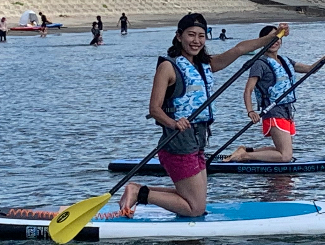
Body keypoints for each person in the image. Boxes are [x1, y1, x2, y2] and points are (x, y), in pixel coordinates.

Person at [117, 15, 289, 218]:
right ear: (179, 36)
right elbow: (154, 109)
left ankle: (138, 190)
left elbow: (239, 49)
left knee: (194, 201)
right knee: (195, 209)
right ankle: (137, 192)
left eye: (201, 36)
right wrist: (173, 122)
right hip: (178, 143)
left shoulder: (206, 64)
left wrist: (274, 35)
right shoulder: (168, 67)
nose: (196, 41)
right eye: (191, 35)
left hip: (198, 141)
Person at [227, 28, 325, 163]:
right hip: (273, 110)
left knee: (283, 150)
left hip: (287, 110)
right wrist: (250, 111)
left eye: (278, 38)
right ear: (263, 42)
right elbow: (248, 90)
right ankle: (244, 156)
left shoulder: (285, 60)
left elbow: (310, 69)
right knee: (285, 156)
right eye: (271, 38)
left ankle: (246, 151)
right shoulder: (259, 63)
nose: (275, 41)